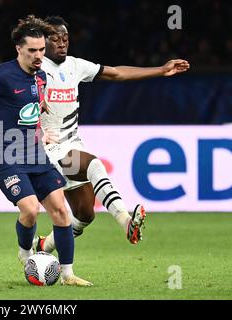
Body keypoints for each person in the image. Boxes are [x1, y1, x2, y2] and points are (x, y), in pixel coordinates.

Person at [0, 15, 92, 286]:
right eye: (32, 50)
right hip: (7, 155)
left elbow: (35, 105)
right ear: (19, 49)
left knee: (61, 211)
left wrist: (41, 128)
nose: (38, 55)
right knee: (31, 209)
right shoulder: (3, 74)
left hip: (36, 153)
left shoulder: (42, 77)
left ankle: (68, 275)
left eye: (42, 50)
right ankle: (25, 253)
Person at [34, 16, 190, 253]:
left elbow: (117, 73)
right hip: (47, 148)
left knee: (84, 215)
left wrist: (161, 69)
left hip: (72, 143)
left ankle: (43, 247)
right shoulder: (34, 69)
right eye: (55, 39)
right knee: (93, 164)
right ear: (43, 42)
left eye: (65, 38)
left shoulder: (75, 66)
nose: (62, 43)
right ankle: (126, 221)